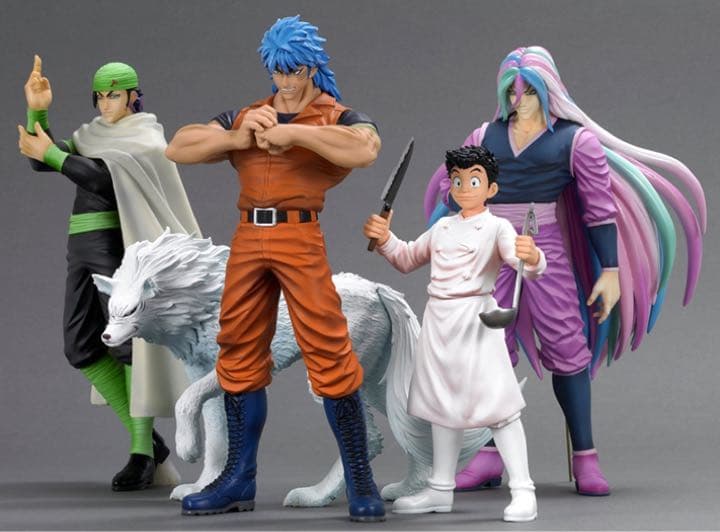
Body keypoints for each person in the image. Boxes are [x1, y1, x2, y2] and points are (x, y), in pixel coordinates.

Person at [425, 46, 706, 496]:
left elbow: (598, 210)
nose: (518, 99)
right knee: (487, 347)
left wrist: (610, 269)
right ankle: (489, 454)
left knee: (567, 346)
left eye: (528, 90)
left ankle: (585, 455)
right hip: (489, 248)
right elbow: (451, 190)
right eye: (511, 90)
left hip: (544, 248)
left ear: (547, 89)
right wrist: (447, 209)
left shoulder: (574, 141)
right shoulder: (485, 135)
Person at [165, 16, 385, 521]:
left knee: (328, 347)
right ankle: (237, 479)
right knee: (238, 349)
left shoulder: (338, 115)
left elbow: (366, 148)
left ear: (313, 68)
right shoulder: (248, 115)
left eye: (295, 71)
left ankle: (360, 479)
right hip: (248, 236)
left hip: (298, 235)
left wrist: (297, 134)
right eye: (278, 70)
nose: (286, 81)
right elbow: (179, 146)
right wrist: (237, 138)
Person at [18, 57, 201, 490]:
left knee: (126, 346)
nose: (105, 103)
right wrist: (38, 111)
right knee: (80, 346)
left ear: (133, 96)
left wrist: (53, 154)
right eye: (99, 96)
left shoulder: (145, 137)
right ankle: (151, 446)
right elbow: (42, 161)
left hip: (118, 246)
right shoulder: (92, 135)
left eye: (113, 94)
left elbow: (100, 178)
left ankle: (140, 452)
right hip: (80, 245)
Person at [364, 145, 544, 522]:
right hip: (439, 322)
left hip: (477, 321)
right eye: (457, 180)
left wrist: (533, 256)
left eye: (473, 180)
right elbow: (407, 258)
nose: (464, 188)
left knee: (500, 407)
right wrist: (385, 240)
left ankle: (523, 490)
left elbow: (522, 265)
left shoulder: (497, 227)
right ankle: (440, 489)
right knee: (441, 408)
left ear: (491, 188)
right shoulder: (442, 227)